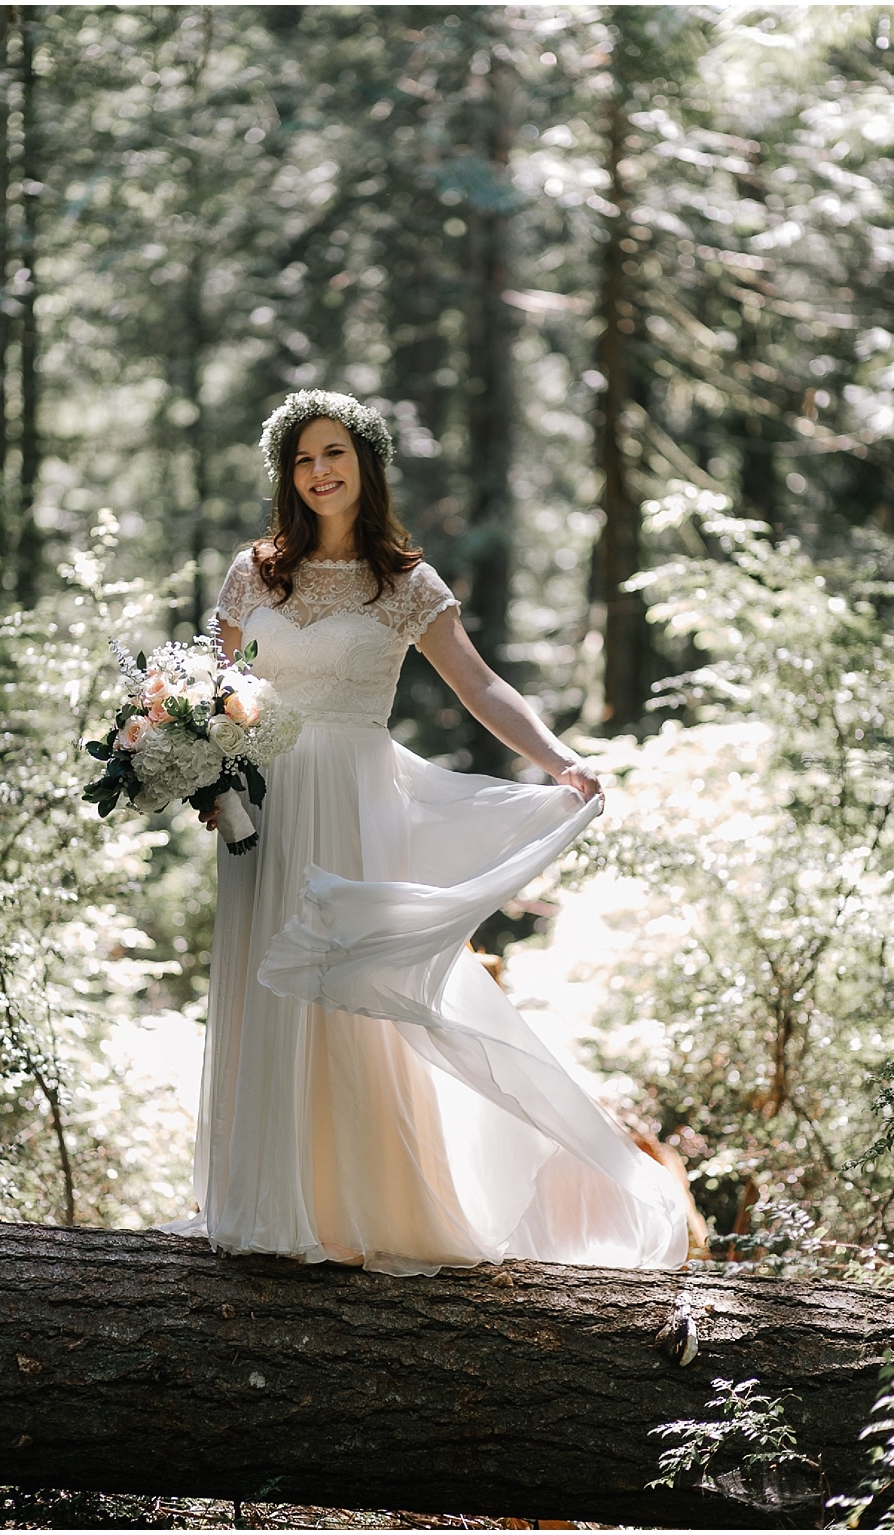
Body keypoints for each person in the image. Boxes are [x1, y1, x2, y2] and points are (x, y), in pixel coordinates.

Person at [164, 389, 689, 1276]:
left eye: (334, 453)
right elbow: (213, 689)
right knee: (265, 986)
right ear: (285, 475)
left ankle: (360, 1208)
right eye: (302, 459)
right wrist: (200, 768)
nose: (319, 471)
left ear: (365, 463)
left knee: (347, 991)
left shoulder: (406, 582)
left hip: (353, 802)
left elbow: (480, 687)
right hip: (261, 804)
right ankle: (265, 1203)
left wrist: (560, 759)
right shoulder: (254, 572)